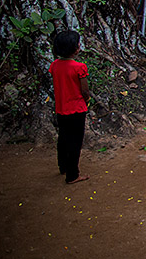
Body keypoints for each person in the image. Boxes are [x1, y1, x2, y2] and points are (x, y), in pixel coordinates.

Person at [50, 30, 90, 184]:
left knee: (64, 137)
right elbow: (84, 90)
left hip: (61, 107)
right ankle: (73, 174)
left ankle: (63, 166)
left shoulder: (54, 65)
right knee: (75, 141)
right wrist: (86, 99)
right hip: (77, 108)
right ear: (75, 49)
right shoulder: (79, 67)